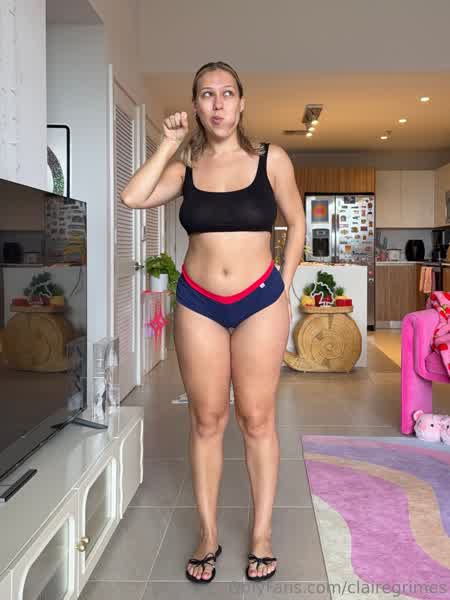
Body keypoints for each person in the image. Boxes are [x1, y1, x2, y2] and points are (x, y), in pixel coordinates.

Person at [121, 60, 305, 584]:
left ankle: (262, 534)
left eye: (227, 93)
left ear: (242, 102)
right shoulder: (186, 168)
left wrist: (284, 285)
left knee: (257, 419)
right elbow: (132, 197)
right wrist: (167, 143)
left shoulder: (272, 159)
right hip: (199, 302)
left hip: (259, 301)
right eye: (207, 94)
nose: (218, 103)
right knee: (206, 421)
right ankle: (207, 535)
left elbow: (295, 223)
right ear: (197, 106)